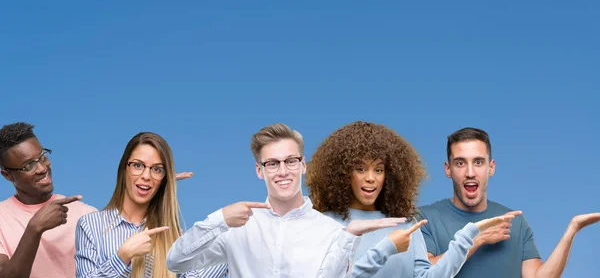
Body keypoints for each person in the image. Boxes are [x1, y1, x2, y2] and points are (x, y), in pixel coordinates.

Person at [166, 123, 406, 277]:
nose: (283, 171)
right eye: (272, 163)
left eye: (290, 161)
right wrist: (220, 219)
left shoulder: (332, 231)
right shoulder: (237, 227)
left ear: (302, 165)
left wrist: (351, 236)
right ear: (259, 170)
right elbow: (176, 262)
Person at [306, 121, 513, 277]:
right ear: (343, 173)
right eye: (360, 169)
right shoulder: (324, 225)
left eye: (378, 169)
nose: (370, 177)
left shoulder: (406, 225)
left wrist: (467, 237)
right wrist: (387, 248)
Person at [418, 127, 600, 277]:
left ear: (491, 167)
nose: (470, 172)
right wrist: (477, 239)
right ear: (448, 169)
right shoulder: (426, 218)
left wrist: (573, 229)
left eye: (479, 162)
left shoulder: (515, 222)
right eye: (460, 163)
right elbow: (423, 273)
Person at [75, 132, 228, 277]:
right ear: (124, 168)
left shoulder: (174, 237)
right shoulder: (90, 225)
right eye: (137, 165)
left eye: (157, 169)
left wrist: (228, 229)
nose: (146, 176)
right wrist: (123, 257)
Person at [0, 122, 97, 278]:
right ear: (7, 175)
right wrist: (34, 229)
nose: (42, 168)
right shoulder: (2, 219)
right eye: (28, 166)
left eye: (42, 157)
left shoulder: (85, 214)